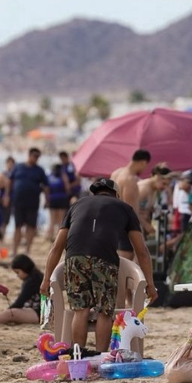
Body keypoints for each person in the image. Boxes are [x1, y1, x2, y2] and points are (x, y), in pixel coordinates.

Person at [40, 178, 158, 352]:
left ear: (93, 193)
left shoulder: (76, 205)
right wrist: (151, 284)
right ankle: (100, 356)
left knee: (81, 310)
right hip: (105, 260)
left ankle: (78, 355)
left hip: (74, 259)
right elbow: (142, 252)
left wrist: (45, 280)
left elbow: (56, 247)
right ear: (116, 194)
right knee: (104, 312)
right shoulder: (124, 208)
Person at [110, 149, 151, 262]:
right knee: (126, 256)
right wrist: (145, 224)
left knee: (119, 256)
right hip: (124, 223)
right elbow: (130, 209)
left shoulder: (116, 173)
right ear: (143, 162)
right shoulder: (129, 180)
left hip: (112, 221)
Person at [9, 148, 48, 256]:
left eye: (38, 156)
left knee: (31, 226)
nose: (36, 158)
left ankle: (27, 250)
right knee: (17, 226)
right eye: (35, 156)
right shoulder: (18, 167)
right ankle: (14, 250)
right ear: (29, 155)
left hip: (33, 202)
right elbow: (10, 181)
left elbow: (46, 186)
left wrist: (47, 199)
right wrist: (7, 195)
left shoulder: (40, 170)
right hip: (18, 201)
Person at [0, 254, 44, 326]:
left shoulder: (31, 281)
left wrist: (8, 310)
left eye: (18, 272)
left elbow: (19, 302)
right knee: (11, 312)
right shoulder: (37, 276)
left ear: (25, 268)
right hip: (40, 311)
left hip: (38, 313)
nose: (17, 275)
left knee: (10, 314)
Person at [45, 164, 69, 240]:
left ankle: (50, 236)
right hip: (62, 198)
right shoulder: (63, 176)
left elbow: (47, 189)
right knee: (61, 220)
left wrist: (47, 200)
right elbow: (67, 188)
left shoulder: (49, 176)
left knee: (52, 220)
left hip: (52, 199)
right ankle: (58, 237)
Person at [0, 157, 15, 231]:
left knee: (6, 221)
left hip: (11, 200)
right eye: (9, 163)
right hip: (3, 199)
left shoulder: (14, 175)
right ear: (6, 164)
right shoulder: (3, 175)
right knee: (1, 220)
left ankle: (2, 234)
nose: (10, 165)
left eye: (12, 163)